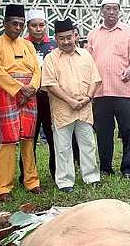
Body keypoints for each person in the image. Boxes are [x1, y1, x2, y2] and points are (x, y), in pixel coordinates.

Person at [0, 4, 42, 202]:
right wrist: (20, 89)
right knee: (8, 141)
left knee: (28, 139)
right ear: (5, 23)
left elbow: (37, 70)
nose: (18, 28)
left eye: (20, 25)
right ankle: (3, 187)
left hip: (30, 95)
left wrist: (32, 88)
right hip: (8, 94)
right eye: (14, 24)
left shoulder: (28, 46)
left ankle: (32, 182)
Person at [41, 18, 101, 193]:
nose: (66, 41)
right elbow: (50, 84)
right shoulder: (51, 58)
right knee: (63, 147)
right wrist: (70, 101)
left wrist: (88, 98)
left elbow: (95, 79)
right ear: (56, 38)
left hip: (84, 107)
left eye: (69, 37)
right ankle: (65, 181)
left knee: (88, 144)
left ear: (75, 36)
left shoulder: (86, 55)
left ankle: (91, 177)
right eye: (62, 38)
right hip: (63, 109)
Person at [87, 0, 130, 179]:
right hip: (101, 92)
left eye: (115, 8)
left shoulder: (129, 32)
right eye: (107, 8)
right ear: (102, 11)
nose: (111, 12)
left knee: (128, 131)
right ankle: (105, 167)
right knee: (103, 133)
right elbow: (87, 62)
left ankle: (128, 169)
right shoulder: (93, 34)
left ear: (119, 11)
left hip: (125, 91)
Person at [18, 9, 58, 182]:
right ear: (28, 27)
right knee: (28, 138)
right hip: (28, 99)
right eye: (34, 25)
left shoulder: (55, 45)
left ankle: (57, 172)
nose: (38, 29)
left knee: (53, 137)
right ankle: (26, 175)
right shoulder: (20, 44)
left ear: (46, 26)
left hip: (50, 99)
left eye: (41, 25)